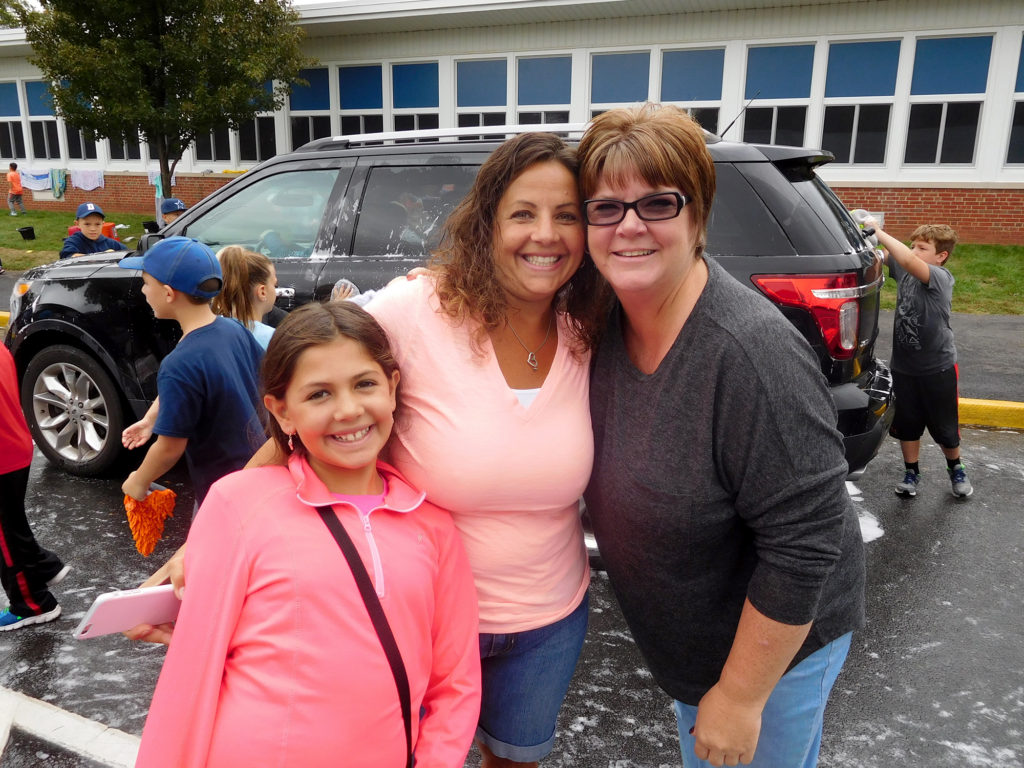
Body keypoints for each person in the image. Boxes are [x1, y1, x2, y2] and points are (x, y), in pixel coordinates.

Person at [135, 132, 609, 768]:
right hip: (404, 610)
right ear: (486, 223)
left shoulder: (591, 329)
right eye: (522, 213)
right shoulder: (418, 309)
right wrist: (207, 548)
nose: (545, 234)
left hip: (545, 620)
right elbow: (317, 394)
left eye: (568, 215)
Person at [578, 103, 865, 768]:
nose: (628, 227)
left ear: (699, 215)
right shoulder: (605, 317)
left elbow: (807, 536)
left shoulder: (750, 354)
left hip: (776, 652)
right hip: (700, 642)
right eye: (605, 207)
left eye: (658, 204)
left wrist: (739, 697)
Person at [135, 301, 481, 768]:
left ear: (393, 387)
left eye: (365, 384)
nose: (349, 410)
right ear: (282, 412)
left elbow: (455, 681)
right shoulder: (238, 504)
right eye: (319, 394)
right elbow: (193, 673)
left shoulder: (432, 525)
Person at [118, 236, 265, 510]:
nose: (143, 291)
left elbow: (169, 448)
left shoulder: (179, 363)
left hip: (223, 494)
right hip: (259, 471)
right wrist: (151, 420)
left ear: (169, 293)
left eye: (146, 283)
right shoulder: (232, 330)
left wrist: (139, 481)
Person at [864, 219, 972, 499]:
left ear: (941, 256)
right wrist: (862, 235)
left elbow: (908, 261)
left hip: (938, 367)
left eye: (922, 247)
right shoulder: (907, 265)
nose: (914, 250)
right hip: (904, 367)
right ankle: (911, 472)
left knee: (945, 425)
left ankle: (956, 468)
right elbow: (882, 255)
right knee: (908, 424)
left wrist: (880, 231)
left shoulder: (939, 277)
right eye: (912, 245)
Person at [0, 343, 71, 631]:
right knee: (11, 523)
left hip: (2, 457)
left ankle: (33, 604)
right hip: (15, 444)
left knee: (5, 539)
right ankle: (44, 565)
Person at [212, 245, 278, 349]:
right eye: (274, 285)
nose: (275, 290)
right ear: (262, 292)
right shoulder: (274, 340)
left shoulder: (211, 332)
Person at [59, 202, 127, 259]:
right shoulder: (73, 241)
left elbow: (130, 254)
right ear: (77, 224)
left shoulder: (111, 243)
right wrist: (104, 256)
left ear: (102, 224)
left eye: (97, 224)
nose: (93, 229)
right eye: (87, 224)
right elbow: (68, 257)